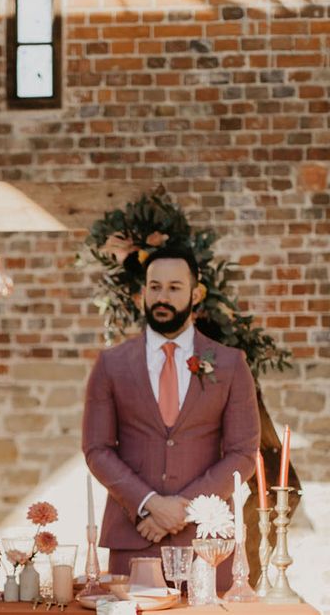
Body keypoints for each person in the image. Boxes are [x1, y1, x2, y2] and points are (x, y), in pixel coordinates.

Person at [82, 246, 260, 588]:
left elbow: (242, 453)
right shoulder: (111, 365)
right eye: (155, 287)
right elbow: (96, 448)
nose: (162, 297)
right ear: (142, 294)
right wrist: (148, 504)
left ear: (196, 294)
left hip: (208, 544)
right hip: (133, 537)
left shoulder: (230, 364)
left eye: (175, 288)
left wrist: (183, 508)